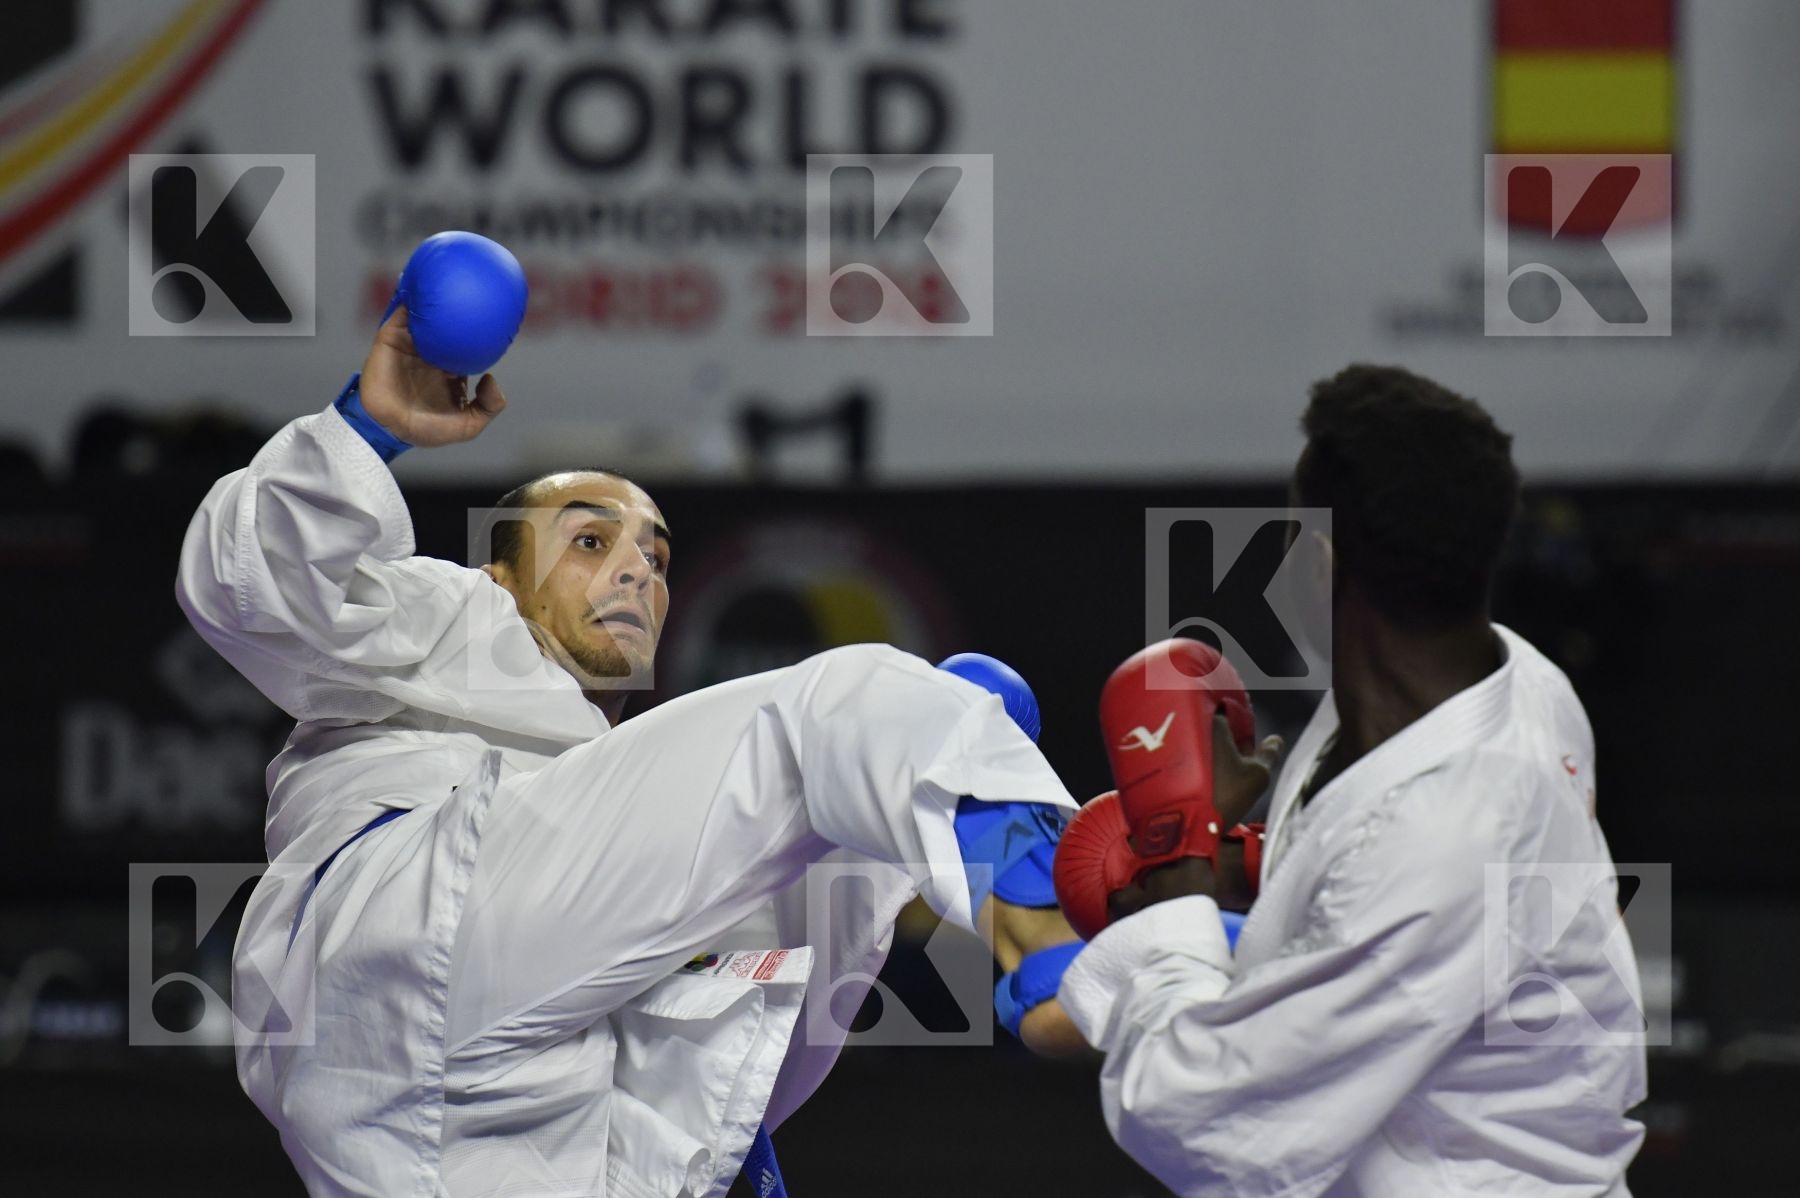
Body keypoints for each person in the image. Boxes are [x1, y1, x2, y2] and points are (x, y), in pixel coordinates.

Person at [175, 307, 1084, 1198]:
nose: (636, 569)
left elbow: (779, 1011)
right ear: (502, 574)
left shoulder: (612, 824)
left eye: (655, 556)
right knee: (834, 712)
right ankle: (1062, 920)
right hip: (396, 940)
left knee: (812, 867)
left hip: (460, 1134)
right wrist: (364, 430)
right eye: (589, 540)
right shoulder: (451, 619)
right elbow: (245, 586)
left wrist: (922, 772)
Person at [1055, 364, 1649, 1196]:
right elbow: (1408, 889)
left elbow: (1202, 1121)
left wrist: (1177, 875)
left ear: (1325, 567)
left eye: (1294, 532)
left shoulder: (1452, 826)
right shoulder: (1512, 680)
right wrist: (1251, 866)